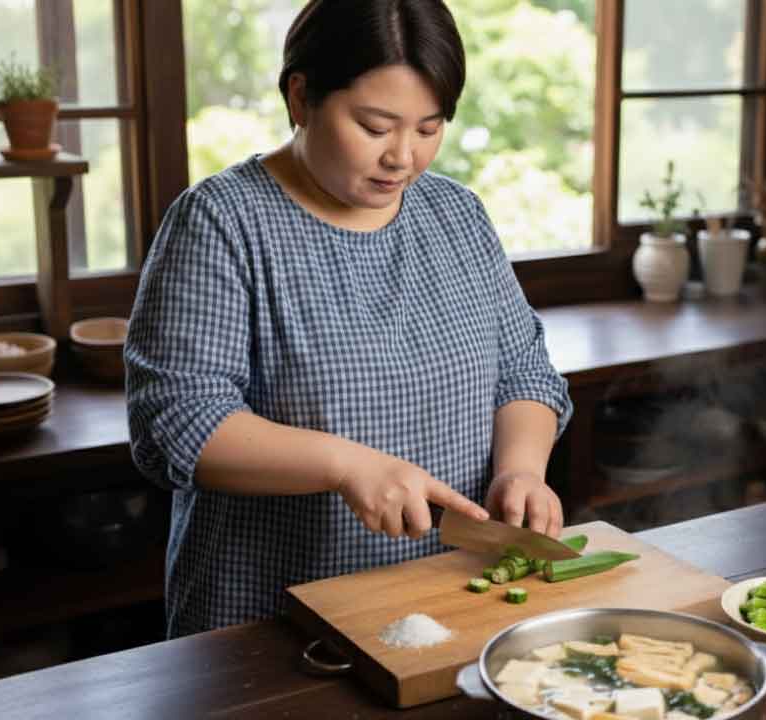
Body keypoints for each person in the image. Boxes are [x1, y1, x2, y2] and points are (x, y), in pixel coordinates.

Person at [125, 0, 573, 638]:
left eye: (428, 128)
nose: (403, 157)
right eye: (375, 126)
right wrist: (346, 465)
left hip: (452, 602)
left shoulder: (457, 216)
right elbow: (176, 420)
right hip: (273, 622)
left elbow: (523, 371)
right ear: (301, 97)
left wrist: (522, 469)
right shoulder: (222, 222)